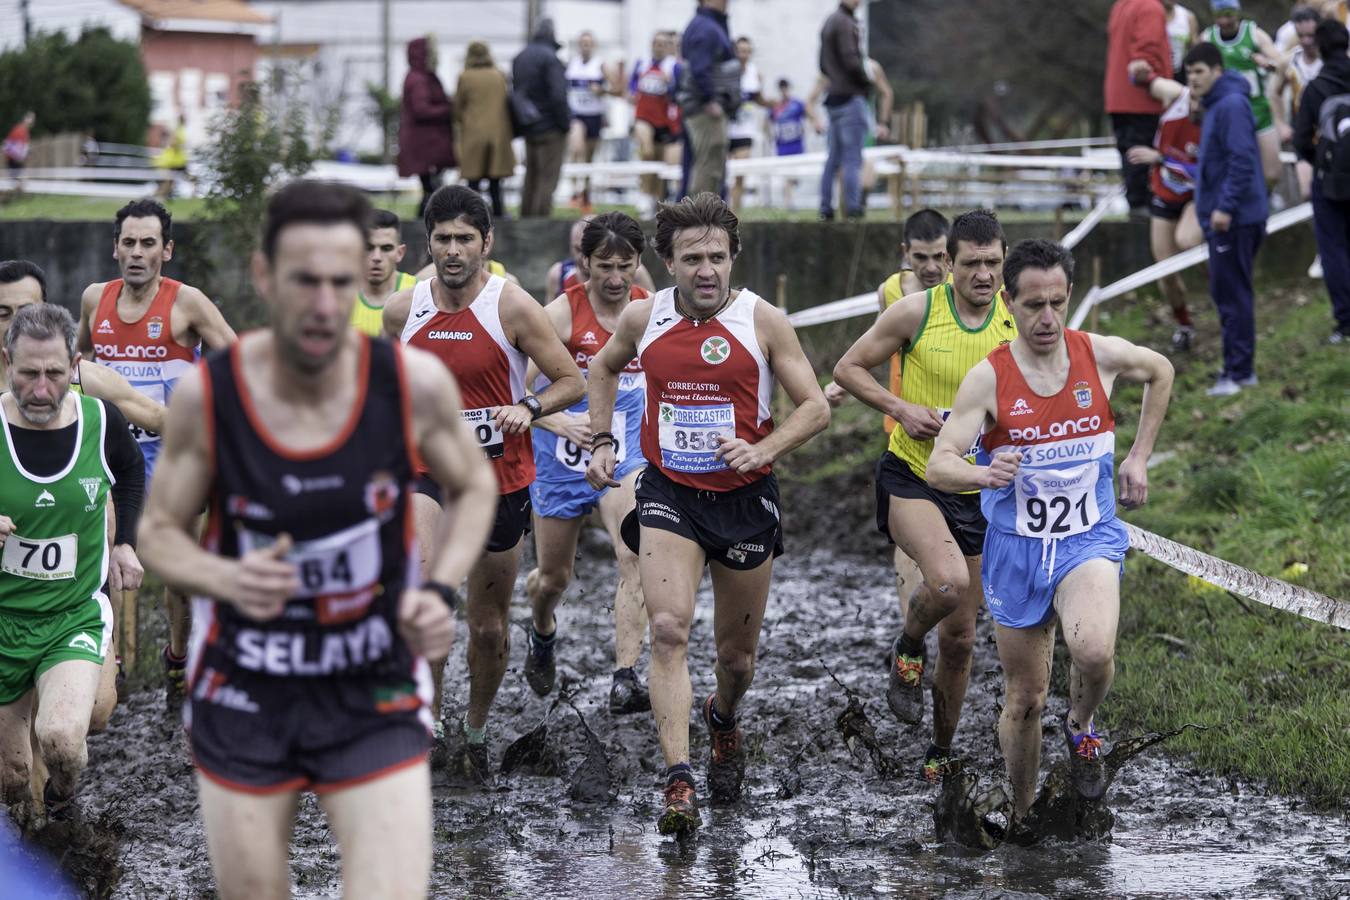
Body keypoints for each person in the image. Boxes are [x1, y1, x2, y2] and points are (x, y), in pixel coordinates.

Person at [138, 179, 497, 899]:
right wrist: (225, 579)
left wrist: (437, 586)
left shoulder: (410, 383)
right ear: (264, 275)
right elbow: (158, 534)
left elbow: (474, 485)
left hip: (371, 682)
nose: (327, 304)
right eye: (306, 280)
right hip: (247, 686)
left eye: (342, 281)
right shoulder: (214, 396)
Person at [585, 193, 830, 835]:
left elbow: (814, 407)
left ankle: (723, 720)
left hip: (746, 500)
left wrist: (762, 449)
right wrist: (605, 438)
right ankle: (678, 780)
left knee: (737, 660)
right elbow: (602, 369)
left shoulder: (764, 321)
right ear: (667, 264)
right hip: (670, 492)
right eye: (692, 258)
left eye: (717, 256)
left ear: (733, 258)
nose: (706, 270)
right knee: (668, 628)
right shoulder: (643, 319)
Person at [927, 238, 1174, 830]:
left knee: (1092, 649)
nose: (1046, 318)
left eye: (1057, 303)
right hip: (1015, 551)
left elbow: (1161, 371)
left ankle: (1082, 726)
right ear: (1009, 301)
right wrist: (985, 471)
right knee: (1026, 697)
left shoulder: (1099, 356)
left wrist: (1138, 457)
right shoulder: (989, 378)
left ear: (1068, 299)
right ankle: (1020, 814)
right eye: (1033, 304)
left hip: (1087, 538)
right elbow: (940, 463)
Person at [383, 185, 584, 782]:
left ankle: (473, 731)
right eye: (443, 238)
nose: (453, 250)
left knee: (489, 624)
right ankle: (432, 725)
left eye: (465, 238)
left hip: (501, 479)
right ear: (428, 244)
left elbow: (570, 381)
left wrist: (528, 406)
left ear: (486, 243)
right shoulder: (404, 310)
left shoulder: (513, 306)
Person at [833, 210, 1017, 782]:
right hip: (914, 476)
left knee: (962, 639)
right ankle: (909, 643)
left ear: (1004, 261)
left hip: (979, 488)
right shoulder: (917, 310)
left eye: (992, 263)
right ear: (950, 265)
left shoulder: (1021, 317)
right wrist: (900, 408)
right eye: (971, 264)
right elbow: (848, 367)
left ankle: (940, 749)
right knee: (945, 582)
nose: (982, 275)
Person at [77, 199, 237, 715]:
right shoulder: (93, 300)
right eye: (129, 242)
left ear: (166, 250)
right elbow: (75, 366)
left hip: (172, 460)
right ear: (114, 247)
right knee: (104, 565)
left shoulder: (186, 303)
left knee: (178, 578)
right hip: (107, 461)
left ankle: (177, 656)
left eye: (149, 243)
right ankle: (110, 665)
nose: (137, 253)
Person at [1, 261, 163, 740]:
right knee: (16, 763)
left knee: (88, 717)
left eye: (24, 310)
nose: (12, 321)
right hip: (9, 601)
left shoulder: (86, 383)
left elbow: (150, 416)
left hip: (79, 583)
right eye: (1, 311)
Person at [0, 303, 145, 828]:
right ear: (6, 361)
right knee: (12, 779)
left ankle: (64, 807)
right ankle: (29, 840)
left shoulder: (101, 419)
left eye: (55, 374)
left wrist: (125, 541)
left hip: (71, 615)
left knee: (62, 739)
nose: (41, 389)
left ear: (75, 364)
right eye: (28, 373)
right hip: (2, 622)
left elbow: (130, 472)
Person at [523, 213, 651, 714]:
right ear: (584, 263)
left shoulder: (650, 310)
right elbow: (519, 391)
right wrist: (560, 424)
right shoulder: (559, 314)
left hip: (625, 454)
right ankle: (542, 628)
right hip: (560, 457)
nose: (616, 279)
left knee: (635, 554)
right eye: (604, 267)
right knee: (553, 578)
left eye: (625, 266)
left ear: (639, 264)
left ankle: (625, 675)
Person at [1186, 41, 1269, 396]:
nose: (1192, 80)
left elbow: (1242, 159)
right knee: (1228, 293)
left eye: (1199, 72)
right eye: (1188, 73)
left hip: (1232, 219)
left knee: (1232, 295)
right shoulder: (1217, 104)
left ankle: (1239, 373)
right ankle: (1236, 368)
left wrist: (1225, 207)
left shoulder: (1232, 105)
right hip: (1224, 217)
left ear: (1217, 70)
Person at [1125, 71, 1204, 350]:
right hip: (1164, 193)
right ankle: (1184, 325)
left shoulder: (1219, 120)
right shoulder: (1176, 96)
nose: (1197, 107)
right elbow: (1142, 80)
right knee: (1165, 271)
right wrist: (1139, 72)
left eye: (1203, 102)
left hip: (1197, 195)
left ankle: (1221, 281)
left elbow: (1207, 169)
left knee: (1188, 240)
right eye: (1194, 99)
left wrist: (1160, 157)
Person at [1293, 19, 1350, 343]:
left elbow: (1301, 141)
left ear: (1321, 48)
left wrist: (1321, 164)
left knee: (1333, 250)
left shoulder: (1315, 88)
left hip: (1329, 182)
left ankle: (1345, 323)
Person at [1201, 0, 1285, 185]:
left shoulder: (1254, 34)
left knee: (1272, 173)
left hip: (1257, 109)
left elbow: (1280, 62)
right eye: (1219, 16)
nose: (1224, 21)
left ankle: (1265, 198)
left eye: (1229, 15)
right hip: (1226, 113)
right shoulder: (1208, 38)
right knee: (1232, 168)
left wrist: (1267, 62)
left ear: (1238, 13)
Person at [1106, 0, 1174, 218]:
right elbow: (1147, 51)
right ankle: (1142, 205)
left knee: (1128, 153)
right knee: (1142, 153)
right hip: (1142, 97)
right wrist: (1159, 84)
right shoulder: (1150, 8)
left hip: (1117, 95)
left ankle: (1135, 202)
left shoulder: (1121, 5)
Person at [818, 0, 872, 221]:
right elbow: (852, 60)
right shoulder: (845, 23)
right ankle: (852, 207)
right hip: (850, 97)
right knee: (852, 158)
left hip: (833, 99)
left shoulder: (829, 21)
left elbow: (822, 64)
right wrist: (865, 82)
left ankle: (825, 206)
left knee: (833, 157)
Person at [678, 0, 738, 198]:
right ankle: (700, 222)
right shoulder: (705, 27)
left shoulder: (710, 25)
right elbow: (699, 68)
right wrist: (710, 99)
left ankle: (702, 220)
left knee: (709, 166)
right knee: (708, 167)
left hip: (703, 108)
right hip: (705, 111)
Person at [513, 19, 572, 219]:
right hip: (551, 128)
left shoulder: (520, 57)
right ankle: (541, 226)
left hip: (529, 127)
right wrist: (565, 124)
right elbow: (558, 96)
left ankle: (525, 223)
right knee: (547, 181)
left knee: (531, 179)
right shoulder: (551, 59)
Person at [455, 40, 516, 220]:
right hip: (497, 133)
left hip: (474, 133)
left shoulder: (465, 77)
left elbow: (457, 108)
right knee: (495, 179)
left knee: (474, 179)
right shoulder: (499, 75)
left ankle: (473, 214)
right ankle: (499, 212)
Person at [398, 36, 457, 219]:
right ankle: (425, 228)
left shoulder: (420, 77)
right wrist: (449, 109)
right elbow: (421, 109)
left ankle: (427, 226)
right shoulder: (419, 79)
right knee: (430, 190)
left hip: (427, 142)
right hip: (425, 144)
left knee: (430, 190)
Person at [629, 32, 682, 215]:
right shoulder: (641, 63)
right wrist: (632, 94)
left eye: (663, 44)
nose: (659, 47)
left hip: (666, 122)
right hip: (644, 118)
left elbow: (679, 94)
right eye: (656, 43)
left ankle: (657, 201)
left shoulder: (674, 66)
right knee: (647, 152)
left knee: (662, 166)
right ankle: (644, 195)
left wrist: (670, 84)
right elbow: (632, 86)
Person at [566, 32, 619, 213]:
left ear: (593, 46)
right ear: (579, 46)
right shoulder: (571, 64)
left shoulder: (600, 65)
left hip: (595, 116)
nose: (586, 47)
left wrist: (602, 90)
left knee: (588, 157)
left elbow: (617, 89)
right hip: (577, 115)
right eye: (583, 44)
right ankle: (574, 192)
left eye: (589, 44)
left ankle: (585, 195)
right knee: (576, 148)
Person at [546, 217, 657, 300]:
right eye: (577, 249)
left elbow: (655, 313)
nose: (615, 281)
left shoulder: (637, 272)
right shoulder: (559, 273)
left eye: (624, 267)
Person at [351, 210, 418, 338]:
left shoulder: (418, 294)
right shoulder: (340, 295)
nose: (377, 257)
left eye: (386, 248)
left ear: (400, 253)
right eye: (368, 248)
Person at [727, 37, 768, 213]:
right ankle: (720, 209)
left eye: (747, 51)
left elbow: (759, 99)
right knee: (725, 174)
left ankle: (735, 212)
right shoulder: (727, 71)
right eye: (741, 50)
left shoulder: (755, 73)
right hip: (726, 129)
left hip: (745, 128)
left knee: (740, 172)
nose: (744, 55)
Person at [768, 78, 819, 210]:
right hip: (782, 146)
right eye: (782, 88)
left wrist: (814, 126)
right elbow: (767, 123)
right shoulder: (775, 107)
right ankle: (788, 202)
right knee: (787, 175)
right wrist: (770, 136)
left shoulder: (797, 104)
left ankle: (789, 196)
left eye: (786, 88)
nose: (784, 91)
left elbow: (810, 115)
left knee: (795, 175)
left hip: (796, 145)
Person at [154, 114, 189, 201]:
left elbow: (173, 143)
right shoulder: (179, 130)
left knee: (168, 182)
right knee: (168, 181)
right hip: (175, 161)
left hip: (174, 161)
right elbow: (174, 143)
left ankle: (159, 196)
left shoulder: (178, 130)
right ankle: (158, 196)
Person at [1165, 1, 1201, 76]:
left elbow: (1194, 47)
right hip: (1156, 70)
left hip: (1181, 73)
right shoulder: (1149, 14)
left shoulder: (1188, 16)